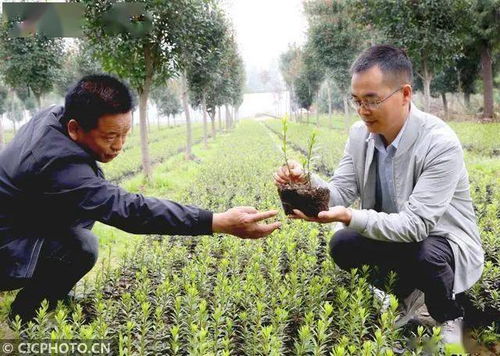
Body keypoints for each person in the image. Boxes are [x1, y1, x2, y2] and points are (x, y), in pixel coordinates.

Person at [0, 74, 281, 324]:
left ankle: (46, 294)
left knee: (81, 217)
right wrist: (217, 222)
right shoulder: (58, 164)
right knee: (81, 246)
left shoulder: (54, 116)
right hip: (5, 248)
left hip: (19, 220)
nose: (120, 146)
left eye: (125, 134)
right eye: (110, 136)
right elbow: (129, 210)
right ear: (75, 129)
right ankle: (26, 315)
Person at [274, 45, 483, 349]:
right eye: (357, 101)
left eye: (372, 100)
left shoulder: (440, 144)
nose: (363, 110)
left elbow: (416, 226)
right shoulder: (359, 135)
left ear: (406, 94)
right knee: (343, 244)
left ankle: (445, 311)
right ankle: (407, 296)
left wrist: (349, 216)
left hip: (439, 241)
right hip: (393, 237)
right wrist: (305, 182)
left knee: (426, 255)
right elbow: (340, 191)